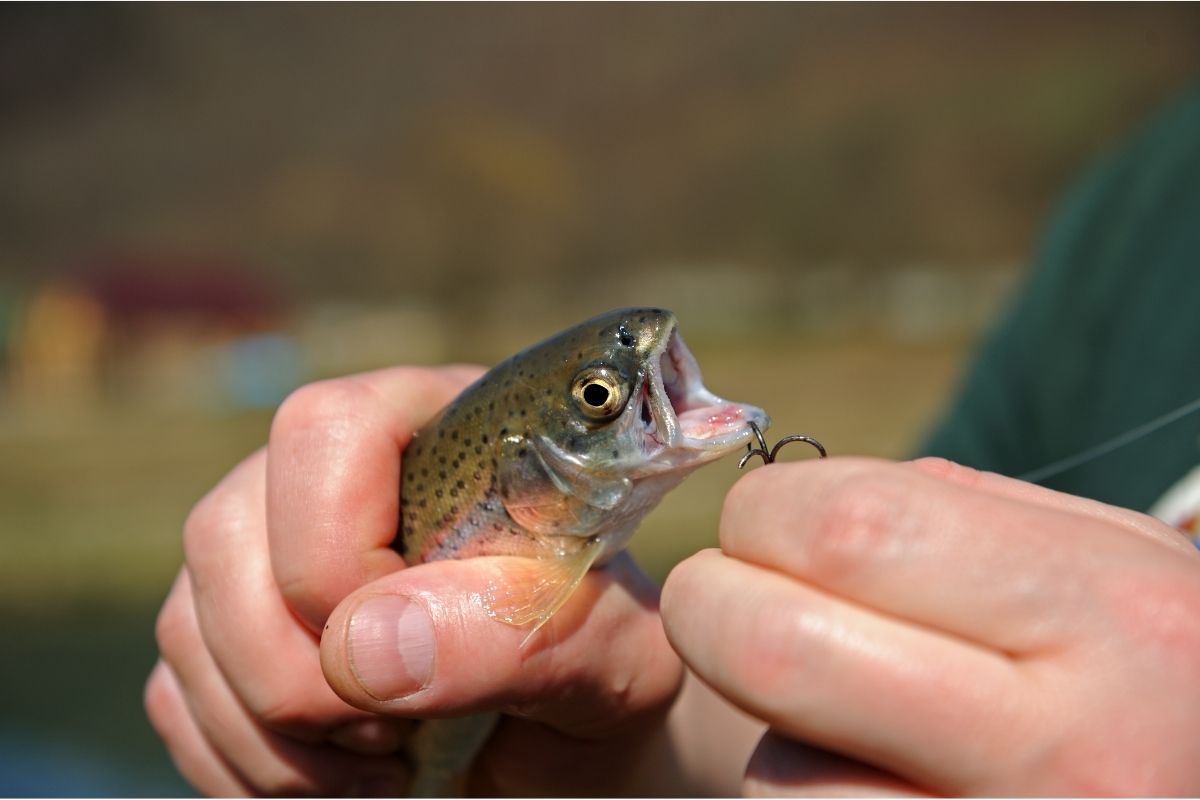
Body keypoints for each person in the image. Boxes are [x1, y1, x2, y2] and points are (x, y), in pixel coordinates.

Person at [146, 86, 1200, 796]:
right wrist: (627, 743)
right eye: (605, 398)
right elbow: (801, 702)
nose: (628, 392)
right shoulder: (1142, 218)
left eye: (601, 393)